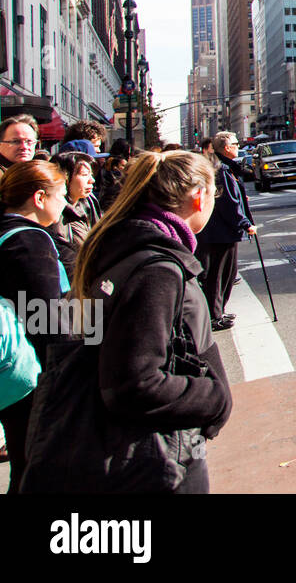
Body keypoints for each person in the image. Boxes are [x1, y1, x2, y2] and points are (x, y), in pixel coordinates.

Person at [22, 151, 233, 493]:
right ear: (199, 197)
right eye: (213, 196)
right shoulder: (156, 269)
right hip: (151, 460)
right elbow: (133, 382)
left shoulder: (127, 247)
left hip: (132, 451)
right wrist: (214, 396)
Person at [0, 161, 69, 491]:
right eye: (61, 195)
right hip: (32, 376)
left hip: (12, 371)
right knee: (37, 470)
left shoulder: (5, 231)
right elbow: (46, 319)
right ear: (40, 197)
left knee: (25, 464)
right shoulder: (29, 241)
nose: (65, 203)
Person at [194, 131, 255, 331]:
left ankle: (218, 311)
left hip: (222, 231)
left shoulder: (224, 168)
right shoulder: (221, 169)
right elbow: (229, 203)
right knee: (218, 275)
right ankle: (214, 315)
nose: (239, 146)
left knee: (226, 274)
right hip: (219, 232)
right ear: (227, 148)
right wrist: (245, 223)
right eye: (236, 143)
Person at [48, 152, 101, 271]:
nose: (91, 180)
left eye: (91, 174)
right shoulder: (53, 213)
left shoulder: (90, 204)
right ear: (65, 177)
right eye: (84, 174)